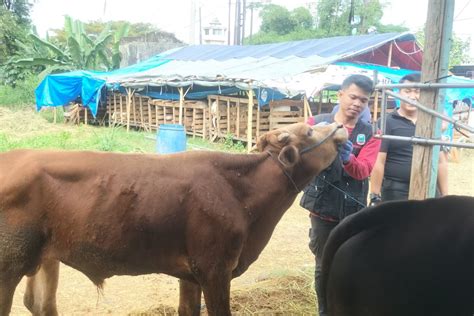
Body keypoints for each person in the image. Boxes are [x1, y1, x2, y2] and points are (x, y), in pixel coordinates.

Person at [300, 74, 381, 316]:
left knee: (350, 263)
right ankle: (324, 311)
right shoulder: (316, 123)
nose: (357, 103)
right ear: (341, 95)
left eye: (363, 100)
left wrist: (348, 158)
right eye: (353, 97)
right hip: (322, 209)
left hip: (353, 211)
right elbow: (303, 159)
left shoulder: (371, 133)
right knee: (323, 265)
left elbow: (364, 170)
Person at [369, 73, 448, 204]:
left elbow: (440, 162)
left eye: (417, 91)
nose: (412, 96)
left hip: (428, 187)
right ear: (399, 93)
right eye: (407, 91)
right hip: (396, 189)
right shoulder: (386, 122)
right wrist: (375, 196)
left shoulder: (431, 123)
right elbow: (379, 161)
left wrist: (445, 196)